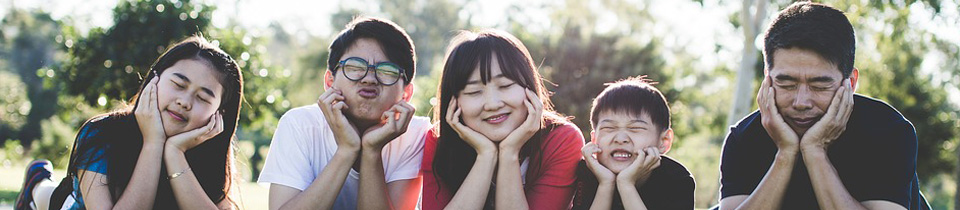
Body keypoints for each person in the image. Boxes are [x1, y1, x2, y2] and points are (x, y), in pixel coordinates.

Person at [718, 2, 930, 210]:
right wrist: (785, 153)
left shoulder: (888, 131)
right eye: (787, 84)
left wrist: (815, 152)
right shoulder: (743, 138)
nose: (801, 102)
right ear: (768, 79)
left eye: (819, 86)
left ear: (851, 83)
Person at [15, 35, 244, 210]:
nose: (184, 102)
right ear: (155, 79)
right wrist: (153, 143)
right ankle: (36, 180)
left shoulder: (211, 151)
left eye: (203, 98)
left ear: (219, 113)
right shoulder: (101, 132)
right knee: (52, 197)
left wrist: (175, 153)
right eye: (178, 84)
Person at [258, 17, 428, 210]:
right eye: (355, 67)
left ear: (406, 93)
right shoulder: (299, 124)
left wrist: (371, 151)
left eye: (387, 71)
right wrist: (346, 150)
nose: (369, 79)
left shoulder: (415, 134)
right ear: (330, 82)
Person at [420, 29, 584, 210]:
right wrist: (486, 155)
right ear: (453, 101)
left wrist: (509, 152)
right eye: (474, 92)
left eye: (505, 86)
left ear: (529, 87)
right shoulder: (438, 141)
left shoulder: (561, 140)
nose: (493, 104)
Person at [573, 76, 694, 210]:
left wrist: (626, 184)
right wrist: (606, 184)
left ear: (664, 141)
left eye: (635, 128)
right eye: (609, 128)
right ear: (594, 139)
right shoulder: (583, 173)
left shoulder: (676, 179)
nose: (620, 138)